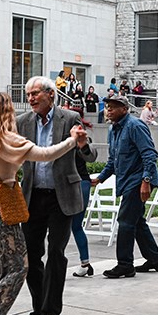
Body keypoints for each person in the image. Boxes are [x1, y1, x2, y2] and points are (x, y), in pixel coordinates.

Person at [0, 77, 94, 315]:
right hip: (29, 197)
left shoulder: (70, 117)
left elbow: (90, 155)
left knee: (56, 255)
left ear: (50, 94)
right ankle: (37, 310)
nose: (30, 98)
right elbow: (4, 153)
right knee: (30, 257)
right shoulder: (22, 121)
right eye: (27, 95)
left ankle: (51, 313)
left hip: (62, 196)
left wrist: (81, 144)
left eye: (35, 93)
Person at [91, 95, 158, 278]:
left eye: (113, 107)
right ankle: (156, 260)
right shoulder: (113, 129)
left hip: (139, 179)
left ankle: (125, 264)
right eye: (107, 107)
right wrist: (100, 178)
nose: (109, 110)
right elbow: (113, 160)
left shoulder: (135, 126)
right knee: (137, 221)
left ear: (124, 109)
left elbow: (150, 155)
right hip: (128, 180)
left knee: (125, 221)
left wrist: (145, 181)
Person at [69, 108, 98, 278]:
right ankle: (85, 263)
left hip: (77, 184)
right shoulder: (80, 138)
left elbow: (90, 155)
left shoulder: (75, 140)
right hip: (83, 183)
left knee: (70, 225)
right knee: (75, 225)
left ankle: (85, 263)